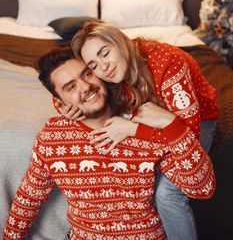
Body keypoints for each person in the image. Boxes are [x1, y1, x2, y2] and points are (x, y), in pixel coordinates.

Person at [4, 47, 215, 240]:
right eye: (71, 87)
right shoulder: (53, 137)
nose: (85, 86)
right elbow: (28, 199)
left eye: (87, 74)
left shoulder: (142, 126)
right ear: (59, 103)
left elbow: (202, 188)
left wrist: (172, 125)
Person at [59, 21, 219, 240]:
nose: (103, 67)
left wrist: (134, 130)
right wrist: (67, 105)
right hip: (149, 118)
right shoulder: (112, 72)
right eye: (93, 65)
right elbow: (67, 75)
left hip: (194, 121)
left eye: (105, 53)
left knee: (166, 193)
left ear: (120, 42)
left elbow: (184, 133)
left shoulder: (168, 61)